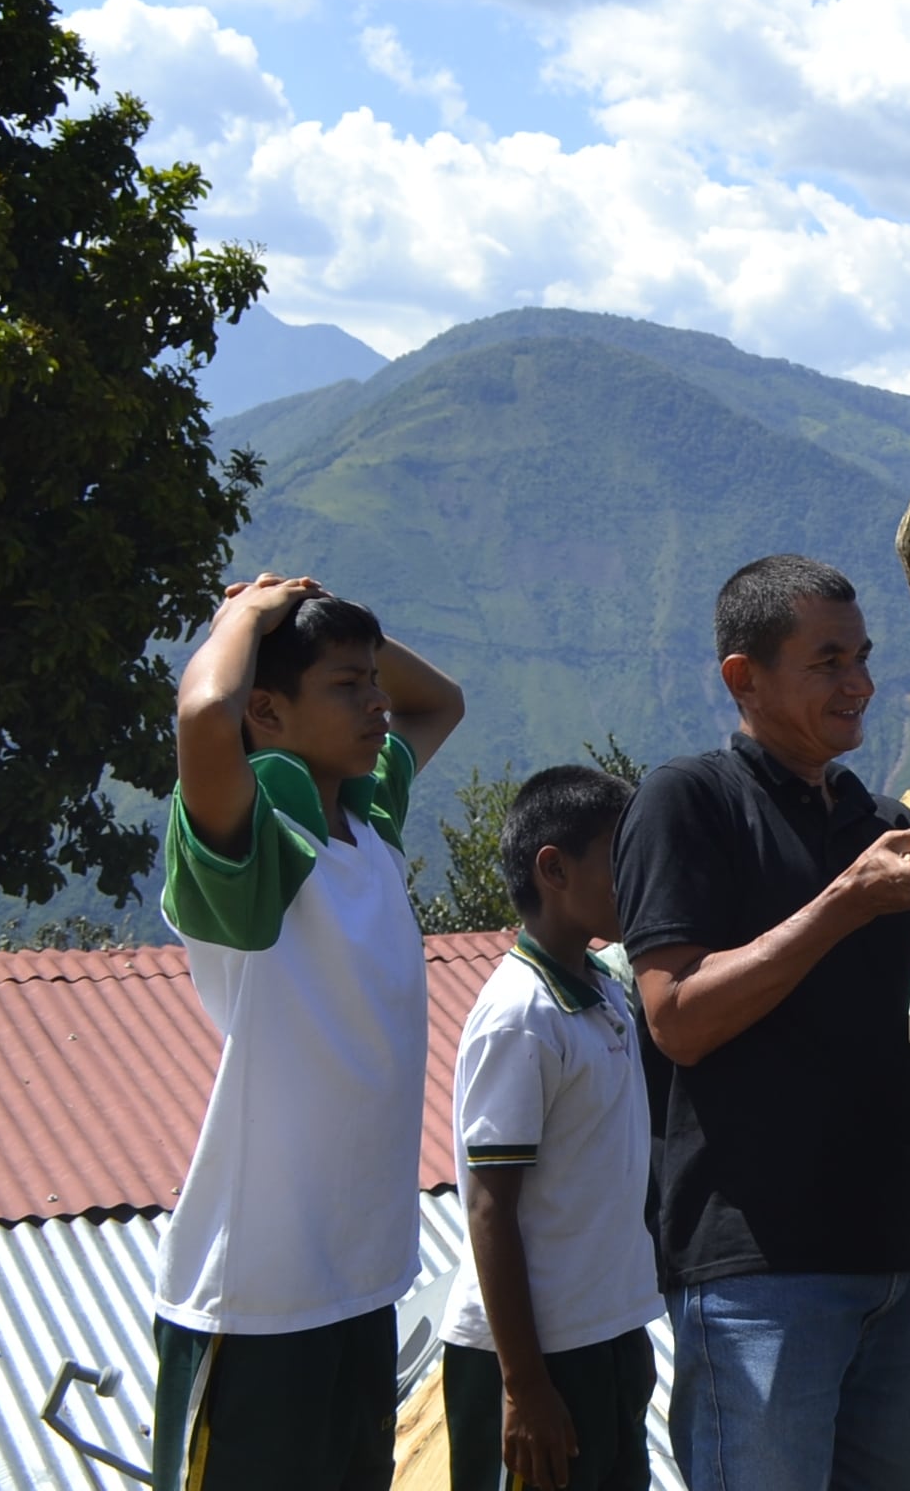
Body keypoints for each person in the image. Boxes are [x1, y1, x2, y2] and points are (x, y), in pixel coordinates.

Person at [610, 555, 910, 1490]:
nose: (860, 685)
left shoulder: (881, 826)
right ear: (743, 678)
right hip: (757, 1273)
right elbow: (675, 1017)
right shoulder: (688, 802)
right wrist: (845, 903)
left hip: (894, 1259)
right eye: (828, 661)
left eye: (864, 657)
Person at [151, 575, 467, 1491]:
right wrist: (244, 617)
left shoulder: (366, 829)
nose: (377, 703)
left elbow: (437, 701)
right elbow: (205, 716)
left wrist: (332, 615)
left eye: (372, 682)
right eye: (344, 686)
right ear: (268, 711)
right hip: (255, 1299)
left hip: (362, 1281)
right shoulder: (255, 848)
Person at [441, 765, 658, 1491]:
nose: (640, 876)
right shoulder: (519, 1017)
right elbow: (489, 1204)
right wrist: (524, 1387)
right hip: (537, 1357)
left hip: (604, 1335)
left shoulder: (601, 989)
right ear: (554, 869)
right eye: (620, 857)